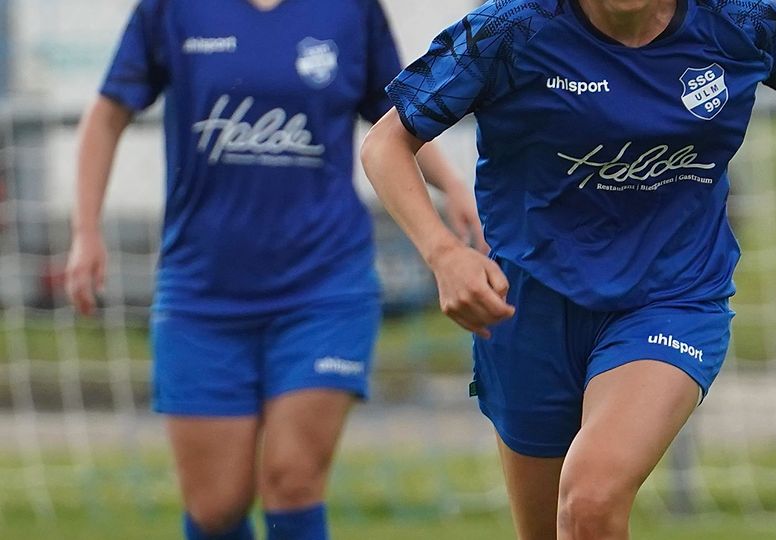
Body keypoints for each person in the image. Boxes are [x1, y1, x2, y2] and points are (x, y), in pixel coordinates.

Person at [361, 0, 776, 538]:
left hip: (673, 299)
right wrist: (443, 253)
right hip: (529, 307)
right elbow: (384, 143)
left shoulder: (742, 18)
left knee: (589, 500)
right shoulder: (510, 29)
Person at [64, 1, 480, 539]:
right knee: (215, 509)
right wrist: (86, 230)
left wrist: (451, 186)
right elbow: (107, 112)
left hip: (324, 287)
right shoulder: (171, 9)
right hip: (201, 293)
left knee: (291, 480)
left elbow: (398, 114)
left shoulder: (352, 10)